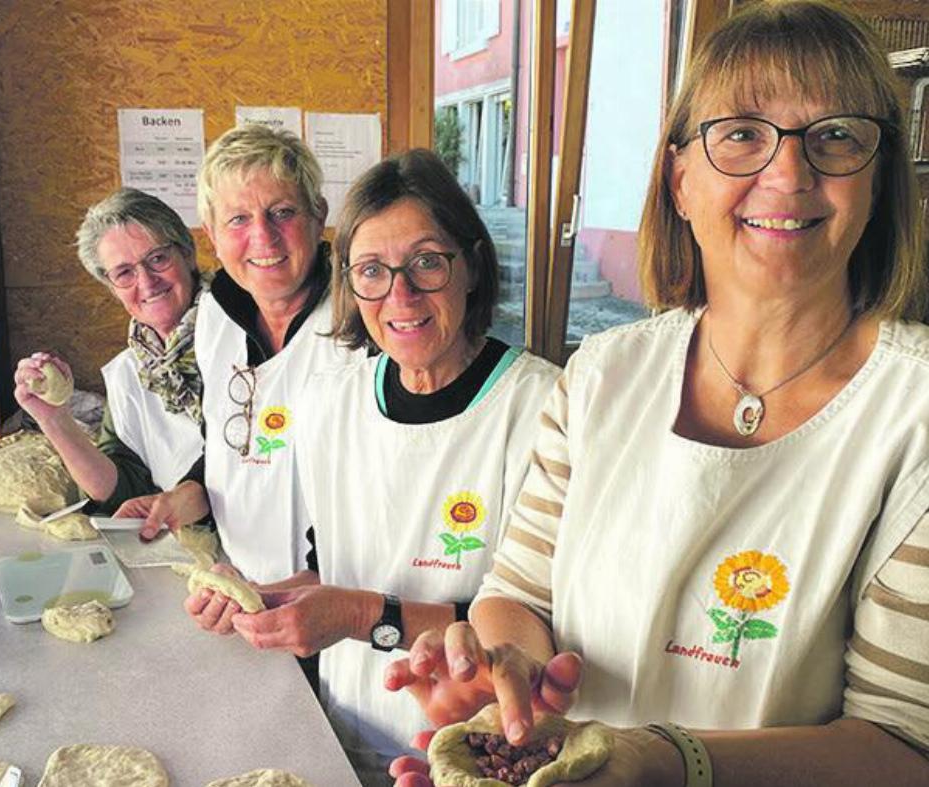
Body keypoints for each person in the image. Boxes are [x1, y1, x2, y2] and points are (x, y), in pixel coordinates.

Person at [387, 3, 929, 786]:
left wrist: (672, 760)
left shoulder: (911, 415)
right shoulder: (602, 375)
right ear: (680, 179)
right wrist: (512, 679)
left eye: (836, 136)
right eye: (741, 133)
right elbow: (517, 594)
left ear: (877, 183)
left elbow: (903, 747)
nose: (788, 172)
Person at [208, 150, 558, 783]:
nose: (400, 294)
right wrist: (270, 600)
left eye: (426, 261)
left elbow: (544, 623)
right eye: (372, 270)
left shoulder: (542, 409)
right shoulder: (329, 401)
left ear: (472, 265)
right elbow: (330, 560)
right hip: (340, 733)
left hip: (479, 752)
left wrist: (353, 615)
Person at [129, 125, 364, 589]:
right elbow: (227, 442)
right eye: (238, 219)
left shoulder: (360, 319)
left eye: (282, 212)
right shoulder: (216, 311)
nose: (263, 237)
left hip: (333, 600)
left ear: (319, 215)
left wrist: (308, 586)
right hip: (238, 583)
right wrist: (184, 496)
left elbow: (378, 491)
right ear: (211, 235)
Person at [13, 188, 207, 513]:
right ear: (112, 287)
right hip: (190, 548)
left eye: (157, 259)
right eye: (124, 273)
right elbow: (122, 490)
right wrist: (55, 419)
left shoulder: (245, 335)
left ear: (187, 254)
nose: (146, 282)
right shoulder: (131, 371)